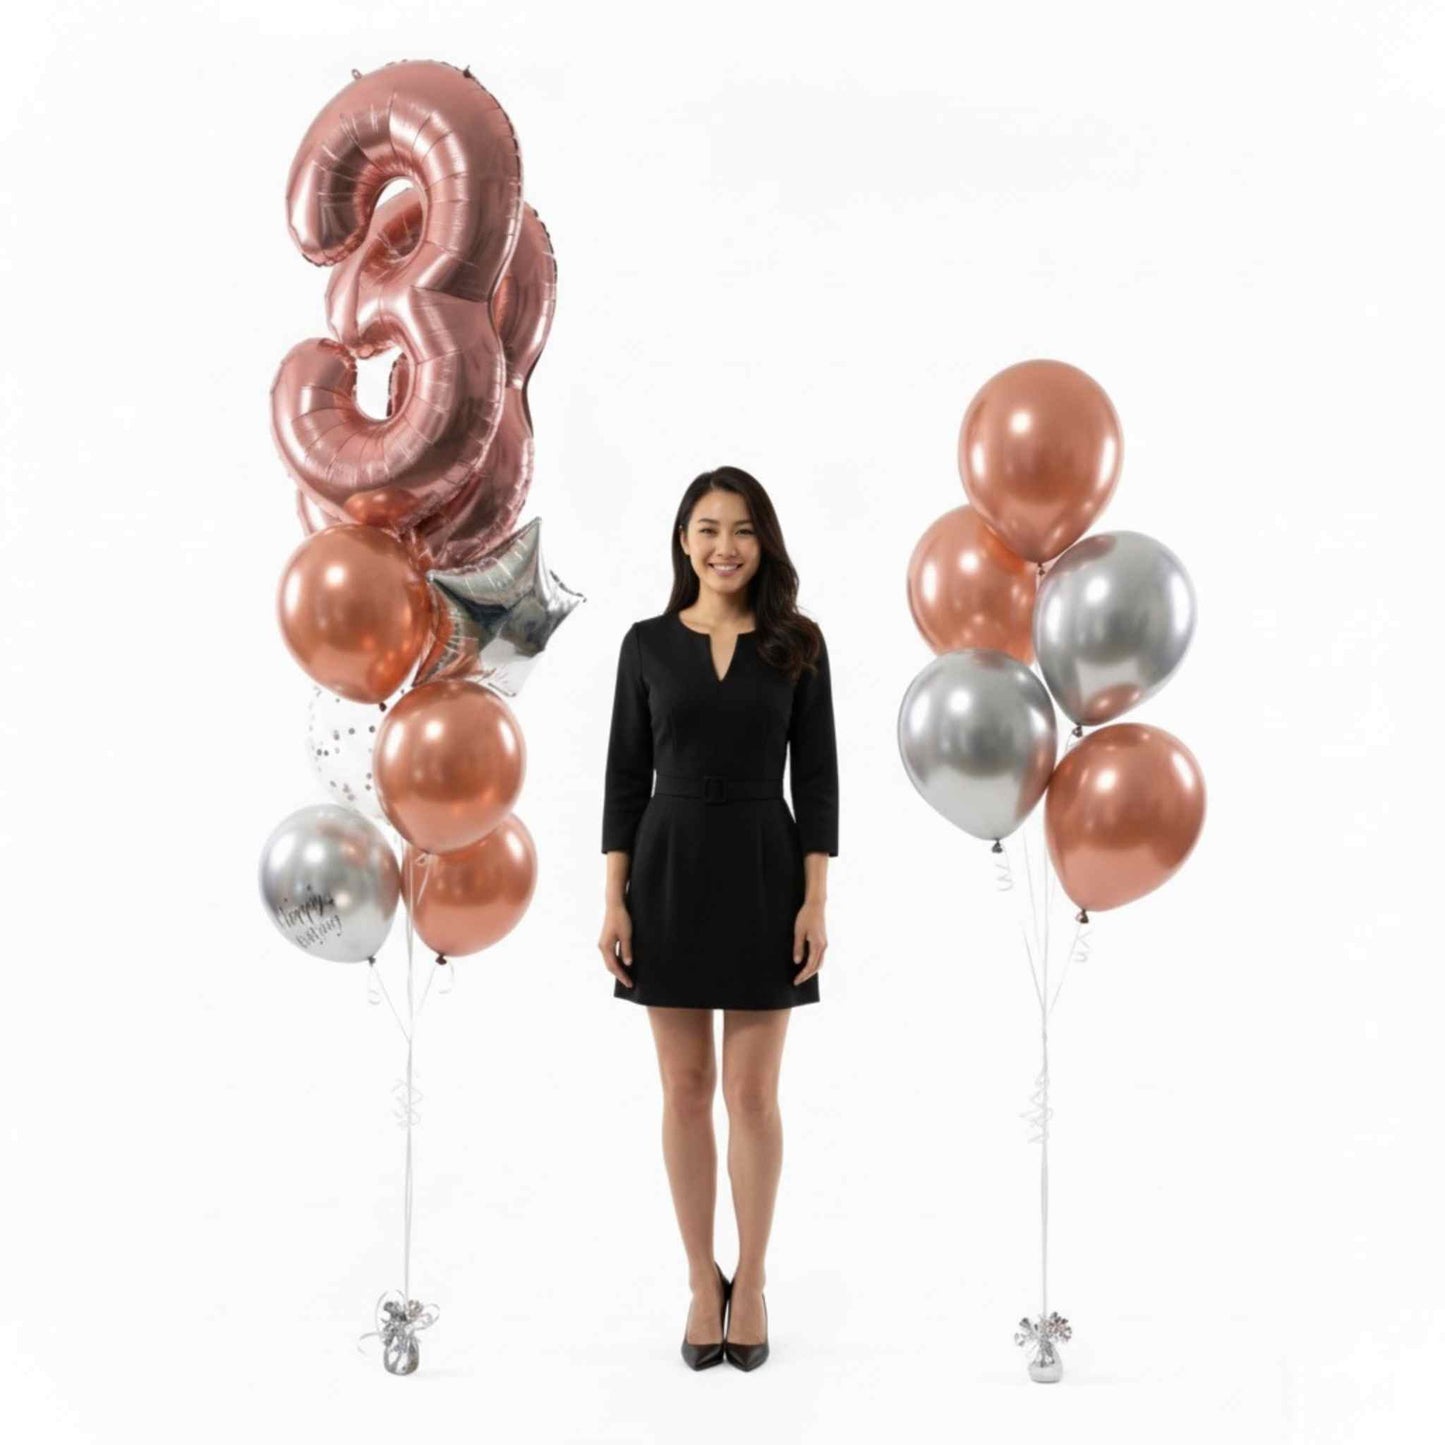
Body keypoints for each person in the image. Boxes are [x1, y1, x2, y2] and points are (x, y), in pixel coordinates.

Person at [599, 465, 839, 1372]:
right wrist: (612, 897)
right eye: (706, 528)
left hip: (764, 868)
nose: (723, 545)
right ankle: (702, 1280)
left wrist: (816, 898)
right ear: (683, 541)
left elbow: (814, 782)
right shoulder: (646, 644)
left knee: (752, 1095)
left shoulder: (798, 644)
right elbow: (625, 778)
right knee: (685, 1091)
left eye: (740, 529)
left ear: (762, 541)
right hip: (665, 868)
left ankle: (757, 1278)